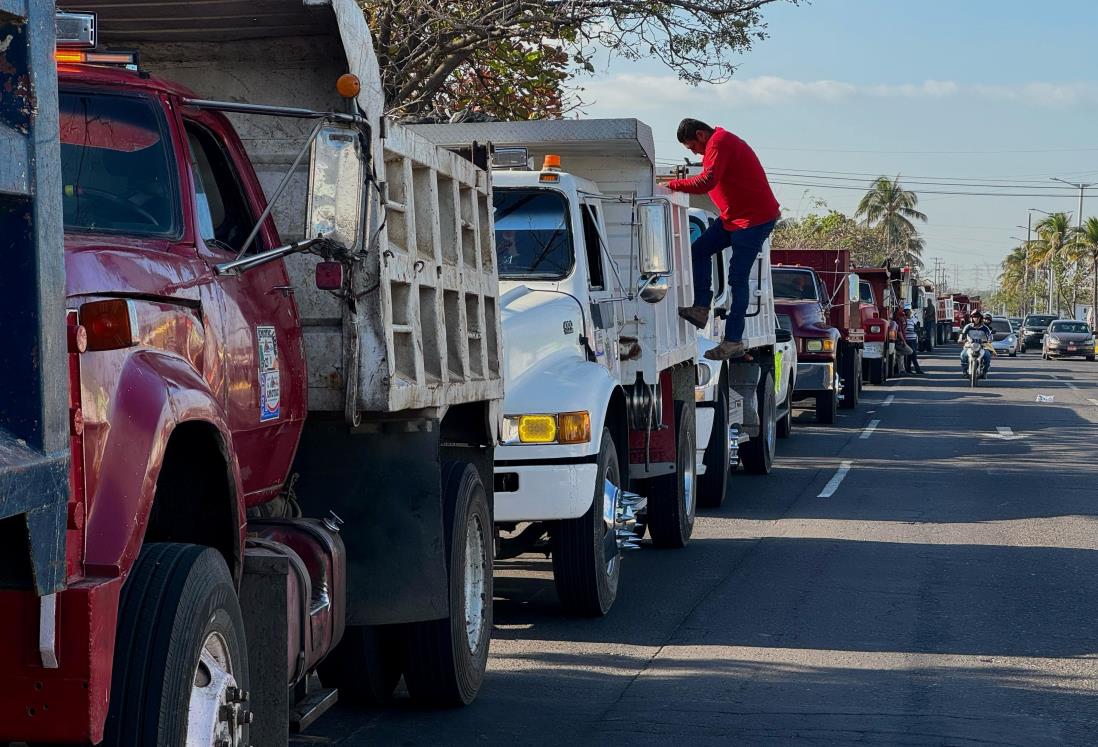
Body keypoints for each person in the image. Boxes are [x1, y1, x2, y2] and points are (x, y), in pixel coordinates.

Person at [666, 119, 781, 360]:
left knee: (737, 278)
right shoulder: (718, 143)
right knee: (698, 251)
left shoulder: (719, 142)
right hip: (733, 219)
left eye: (692, 147)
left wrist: (671, 185)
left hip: (753, 220)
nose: (694, 152)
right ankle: (700, 308)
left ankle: (733, 341)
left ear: (701, 134)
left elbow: (707, 181)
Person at [959, 311, 993, 376]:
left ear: (980, 318)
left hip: (982, 346)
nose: (976, 319)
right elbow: (962, 335)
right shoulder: (967, 327)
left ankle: (984, 372)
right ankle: (964, 371)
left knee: (987, 356)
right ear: (971, 318)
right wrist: (961, 339)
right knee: (963, 355)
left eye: (978, 317)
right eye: (974, 317)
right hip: (970, 346)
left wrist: (989, 341)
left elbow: (990, 337)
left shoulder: (985, 328)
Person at [900, 308, 924, 374]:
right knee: (913, 355)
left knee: (911, 355)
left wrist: (919, 335)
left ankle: (908, 369)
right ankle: (917, 370)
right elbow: (904, 330)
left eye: (910, 311)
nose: (910, 312)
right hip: (908, 340)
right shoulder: (905, 320)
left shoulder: (912, 319)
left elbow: (917, 327)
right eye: (909, 311)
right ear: (906, 313)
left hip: (913, 339)